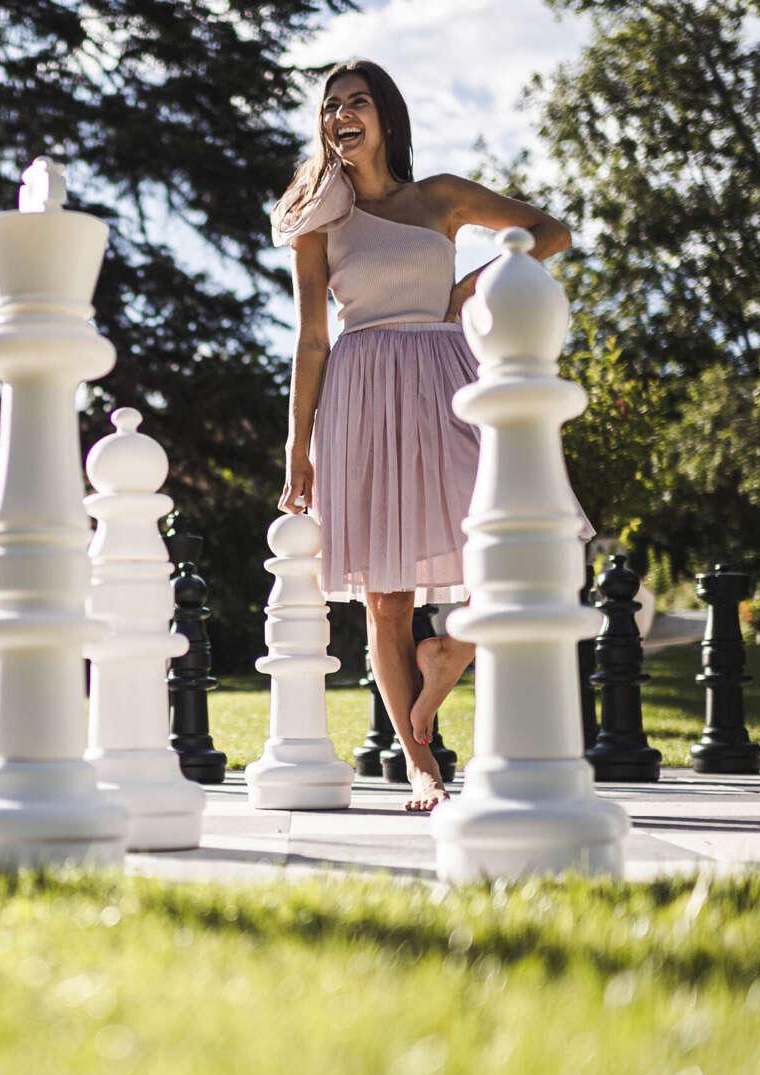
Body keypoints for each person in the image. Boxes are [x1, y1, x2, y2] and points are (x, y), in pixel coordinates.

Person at [271, 59, 572, 811]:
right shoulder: (319, 218)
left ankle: (445, 665)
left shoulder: (440, 197)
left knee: (515, 541)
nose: (342, 114)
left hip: (449, 376)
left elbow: (549, 230)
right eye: (331, 104)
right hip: (361, 387)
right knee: (386, 601)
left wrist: (465, 294)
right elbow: (311, 339)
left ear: (387, 118)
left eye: (357, 102)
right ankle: (421, 762)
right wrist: (296, 448)